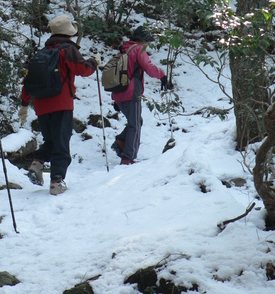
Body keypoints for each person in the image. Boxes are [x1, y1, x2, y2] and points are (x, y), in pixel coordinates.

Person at [18, 14, 99, 195]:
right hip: (61, 104)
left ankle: (37, 164)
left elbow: (29, 81)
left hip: (41, 105)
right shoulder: (67, 50)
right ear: (68, 33)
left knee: (52, 141)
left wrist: (24, 104)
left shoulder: (41, 53)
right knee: (61, 144)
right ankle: (56, 182)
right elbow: (83, 69)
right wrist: (94, 62)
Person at [111, 25, 167, 165]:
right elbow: (149, 68)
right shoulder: (138, 50)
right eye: (147, 42)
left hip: (119, 93)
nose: (147, 45)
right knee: (135, 125)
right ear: (143, 40)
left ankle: (121, 142)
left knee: (136, 122)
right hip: (131, 93)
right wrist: (162, 75)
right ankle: (128, 158)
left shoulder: (124, 49)